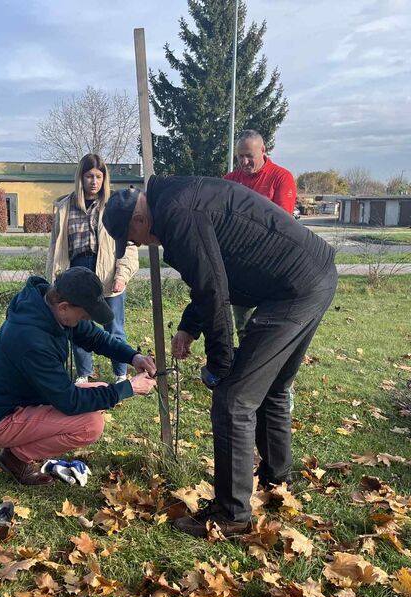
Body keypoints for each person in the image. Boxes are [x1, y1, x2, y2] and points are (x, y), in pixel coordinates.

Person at [102, 177, 337, 537]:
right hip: (310, 274)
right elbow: (212, 274)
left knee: (234, 400)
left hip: (293, 288)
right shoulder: (177, 201)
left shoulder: (176, 213)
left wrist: (221, 364)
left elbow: (214, 290)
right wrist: (188, 327)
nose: (140, 243)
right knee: (272, 387)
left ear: (138, 218)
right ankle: (276, 483)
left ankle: (232, 515)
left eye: (134, 238)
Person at [0, 267, 157, 486]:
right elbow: (69, 402)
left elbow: (96, 338)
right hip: (2, 420)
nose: (86, 320)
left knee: (97, 390)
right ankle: (15, 457)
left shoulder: (48, 310)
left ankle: (21, 447)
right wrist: (128, 388)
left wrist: (133, 357)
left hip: (28, 402)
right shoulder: (31, 340)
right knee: (91, 424)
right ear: (64, 308)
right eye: (84, 315)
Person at [46, 153, 139, 384]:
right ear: (81, 177)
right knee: (79, 324)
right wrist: (55, 278)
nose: (94, 181)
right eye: (89, 176)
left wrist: (122, 274)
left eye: (98, 176)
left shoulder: (113, 205)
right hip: (77, 270)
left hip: (108, 271)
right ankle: (83, 374)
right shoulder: (65, 207)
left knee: (113, 325)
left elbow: (128, 243)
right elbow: (56, 247)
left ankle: (120, 373)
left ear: (104, 178)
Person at [224, 130, 299, 345]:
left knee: (272, 327)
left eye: (249, 156)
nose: (244, 162)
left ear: (263, 151)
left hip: (272, 263)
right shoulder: (230, 181)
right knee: (244, 324)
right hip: (240, 264)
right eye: (240, 157)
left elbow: (282, 224)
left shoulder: (280, 177)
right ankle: (247, 366)